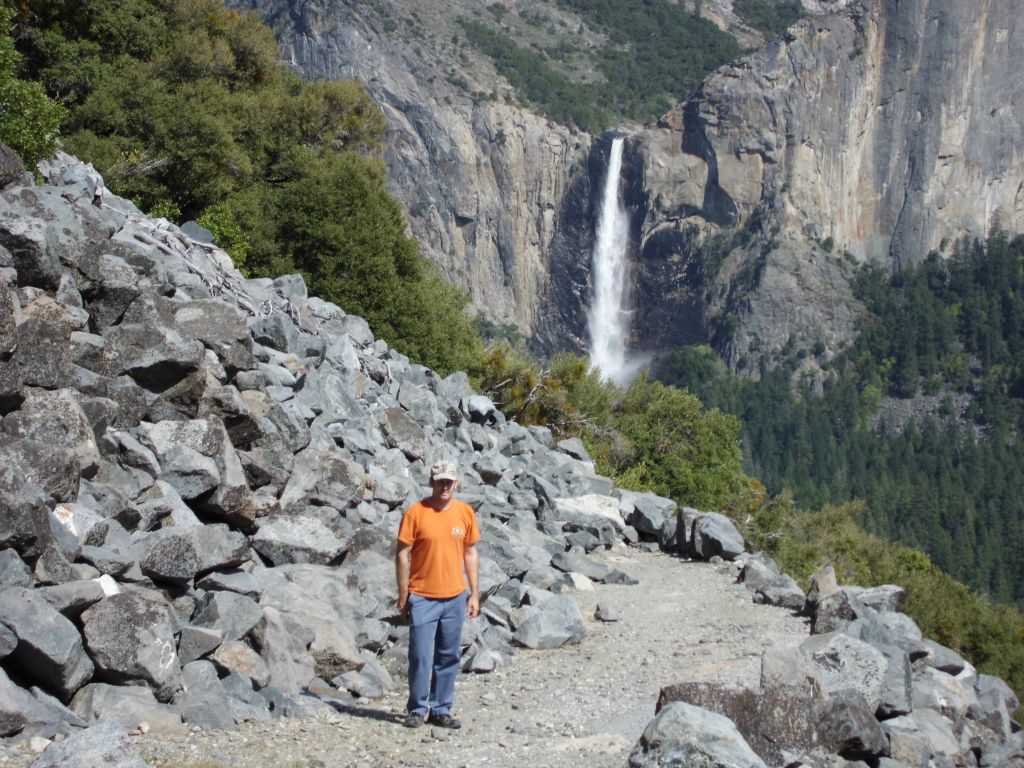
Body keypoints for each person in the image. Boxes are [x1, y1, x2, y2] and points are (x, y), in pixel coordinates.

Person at [395, 459, 480, 729]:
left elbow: (470, 552)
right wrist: (403, 593)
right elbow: (402, 553)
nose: (445, 485)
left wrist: (474, 593)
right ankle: (417, 709)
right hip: (422, 596)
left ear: (456, 483)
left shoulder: (465, 512)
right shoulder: (415, 513)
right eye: (440, 480)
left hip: (455, 596)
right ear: (431, 481)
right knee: (420, 655)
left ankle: (441, 708)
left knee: (448, 655)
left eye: (449, 481)